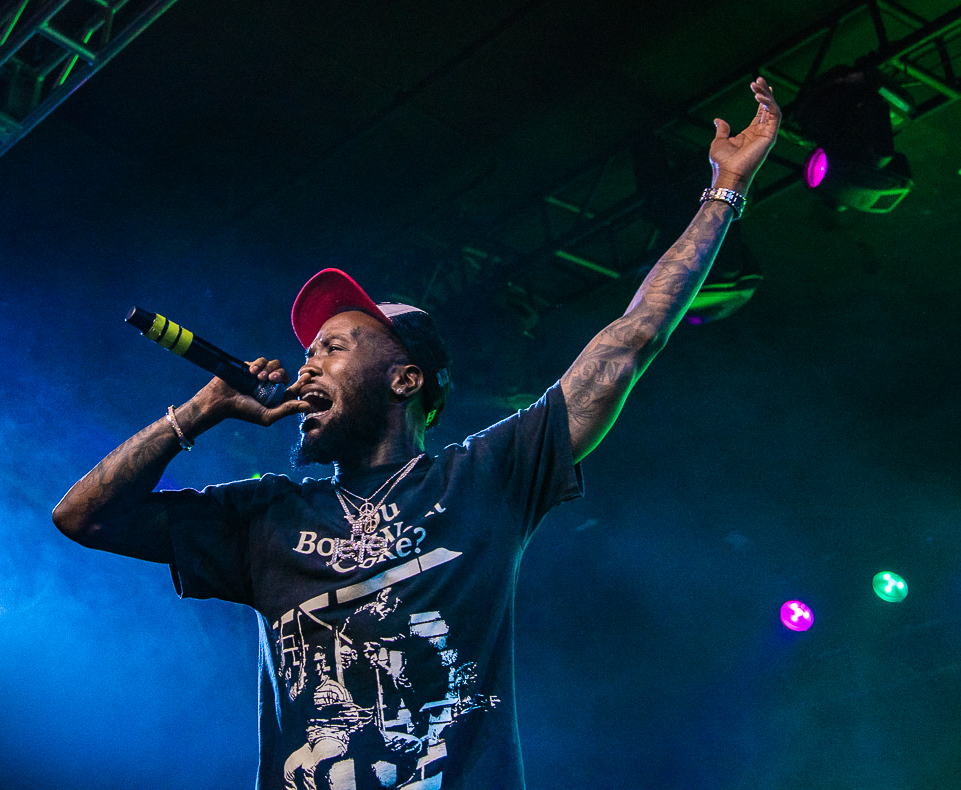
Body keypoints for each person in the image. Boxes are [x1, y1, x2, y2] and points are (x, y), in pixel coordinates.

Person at [53, 77, 780, 789]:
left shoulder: (486, 475)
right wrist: (201, 410)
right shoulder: (263, 515)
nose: (308, 366)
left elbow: (628, 342)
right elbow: (81, 516)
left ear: (405, 380)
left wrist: (723, 193)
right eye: (309, 352)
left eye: (334, 347)